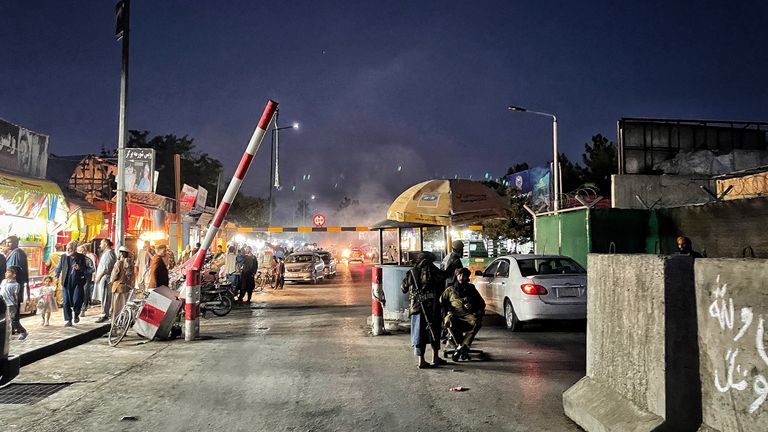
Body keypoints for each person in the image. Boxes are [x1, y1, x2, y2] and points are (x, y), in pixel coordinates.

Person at [401, 251, 448, 369]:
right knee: (434, 331)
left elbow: (403, 288)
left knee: (418, 334)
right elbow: (443, 279)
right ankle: (435, 358)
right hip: (432, 307)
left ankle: (421, 360)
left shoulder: (412, 272)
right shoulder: (434, 270)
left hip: (417, 307)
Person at [440, 268, 485, 359]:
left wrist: (472, 305)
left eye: (464, 275)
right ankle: (462, 346)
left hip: (468, 315)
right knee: (449, 319)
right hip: (454, 315)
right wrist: (447, 311)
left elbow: (481, 303)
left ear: (467, 277)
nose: (461, 277)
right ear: (456, 276)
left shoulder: (471, 289)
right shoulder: (450, 289)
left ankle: (462, 347)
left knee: (476, 322)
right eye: (459, 275)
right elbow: (441, 303)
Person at [55, 240, 88, 326]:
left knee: (77, 300)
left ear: (74, 249)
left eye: (70, 249)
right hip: (66, 281)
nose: (68, 250)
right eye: (67, 248)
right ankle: (68, 319)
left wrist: (79, 267)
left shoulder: (81, 257)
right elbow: (59, 267)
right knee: (65, 302)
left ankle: (76, 314)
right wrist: (57, 275)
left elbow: (85, 269)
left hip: (77, 282)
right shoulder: (63, 257)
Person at [5, 236, 28, 324]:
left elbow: (19, 270)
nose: (7, 244)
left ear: (15, 243)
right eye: (6, 242)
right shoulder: (12, 252)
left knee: (14, 305)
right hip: (10, 283)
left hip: (15, 284)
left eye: (9, 242)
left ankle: (15, 326)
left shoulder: (18, 253)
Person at [93, 239, 117, 323]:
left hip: (105, 278)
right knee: (103, 296)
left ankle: (105, 314)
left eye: (101, 243)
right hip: (103, 278)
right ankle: (104, 313)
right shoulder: (106, 253)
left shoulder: (109, 253)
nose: (100, 245)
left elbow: (106, 268)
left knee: (105, 297)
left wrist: (99, 276)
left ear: (106, 244)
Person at [1, 268, 27, 340]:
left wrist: (16, 304)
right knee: (5, 320)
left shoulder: (16, 285)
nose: (6, 273)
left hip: (11, 304)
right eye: (6, 272)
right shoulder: (3, 281)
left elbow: (16, 296)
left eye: (8, 272)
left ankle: (23, 331)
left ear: (14, 275)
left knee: (13, 320)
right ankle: (8, 334)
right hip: (3, 303)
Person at [110, 246, 135, 322]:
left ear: (121, 253)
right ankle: (123, 326)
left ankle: (115, 327)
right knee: (124, 309)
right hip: (127, 288)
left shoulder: (119, 263)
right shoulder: (131, 264)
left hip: (118, 288)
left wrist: (111, 281)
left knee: (116, 309)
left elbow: (114, 276)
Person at [78, 244, 97, 316]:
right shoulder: (76, 259)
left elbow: (92, 269)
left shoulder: (88, 259)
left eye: (81, 251)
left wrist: (84, 271)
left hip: (86, 279)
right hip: (78, 279)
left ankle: (83, 308)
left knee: (85, 293)